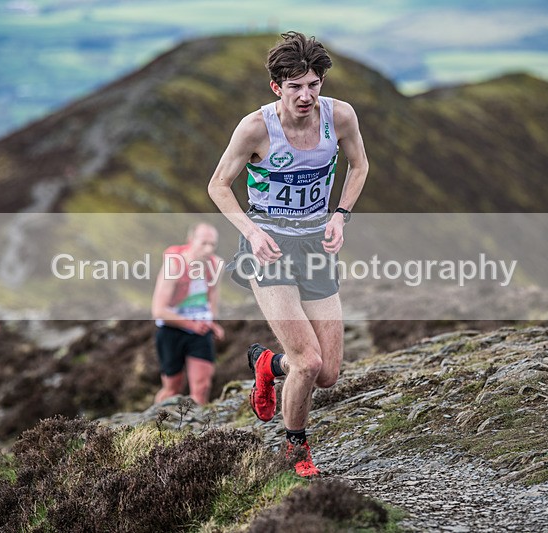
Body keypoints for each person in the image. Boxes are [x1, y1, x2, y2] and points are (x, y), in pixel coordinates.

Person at [207, 31, 368, 477]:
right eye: (295, 86)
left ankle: (266, 363)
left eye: (313, 85)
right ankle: (296, 449)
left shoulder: (340, 117)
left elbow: (360, 165)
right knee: (308, 361)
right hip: (269, 249)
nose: (306, 95)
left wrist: (339, 216)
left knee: (329, 373)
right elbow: (218, 185)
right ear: (277, 87)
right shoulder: (256, 128)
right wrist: (251, 232)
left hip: (317, 246)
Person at [152, 223, 225, 406]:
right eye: (204, 243)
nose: (208, 249)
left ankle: (198, 431)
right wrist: (191, 324)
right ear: (191, 240)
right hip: (172, 331)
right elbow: (158, 311)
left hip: (200, 331)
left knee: (202, 388)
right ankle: (155, 425)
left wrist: (213, 322)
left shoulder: (216, 265)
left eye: (212, 244)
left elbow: (213, 295)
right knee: (172, 389)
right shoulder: (174, 265)